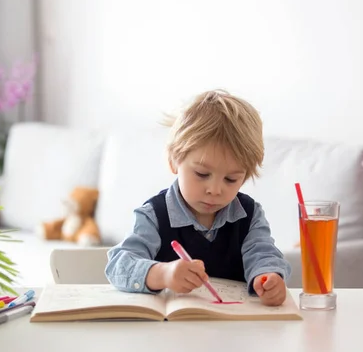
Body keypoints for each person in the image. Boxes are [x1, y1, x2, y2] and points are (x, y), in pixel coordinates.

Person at [104, 89, 291, 306]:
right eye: (202, 174)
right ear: (175, 160)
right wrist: (162, 274)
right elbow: (118, 265)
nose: (214, 189)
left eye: (230, 179)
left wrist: (268, 278)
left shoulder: (250, 215)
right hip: (168, 334)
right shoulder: (154, 215)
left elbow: (263, 253)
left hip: (235, 331)